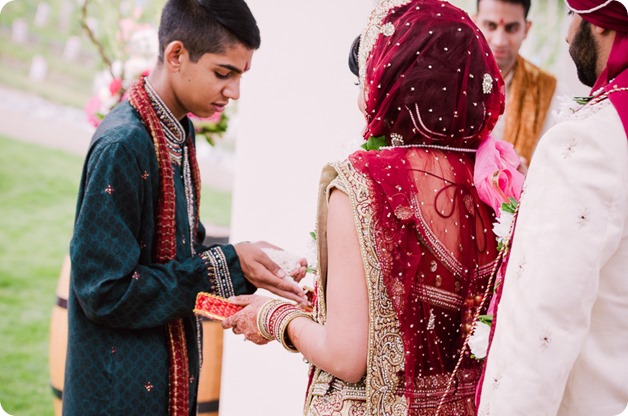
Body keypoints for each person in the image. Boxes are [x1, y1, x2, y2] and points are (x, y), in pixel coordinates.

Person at [221, 0, 521, 414]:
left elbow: (347, 356)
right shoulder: (495, 180)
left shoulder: (365, 181)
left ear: (396, 78)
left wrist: (272, 316)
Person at [63, 0, 307, 414]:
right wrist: (231, 264)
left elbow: (173, 255)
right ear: (176, 55)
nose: (234, 92)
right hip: (118, 397)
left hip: (165, 384)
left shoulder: (177, 130)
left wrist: (249, 264)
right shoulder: (124, 146)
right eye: (223, 73)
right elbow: (104, 291)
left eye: (240, 75)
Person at [476, 1, 628, 415]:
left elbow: (542, 321)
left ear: (596, 23)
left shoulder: (590, 142)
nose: (565, 33)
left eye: (570, 14)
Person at [474, 0, 558, 167]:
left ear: (526, 29)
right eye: (491, 25)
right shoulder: (451, 78)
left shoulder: (547, 89)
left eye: (511, 28)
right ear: (474, 22)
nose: (499, 41)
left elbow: (552, 166)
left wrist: (528, 177)